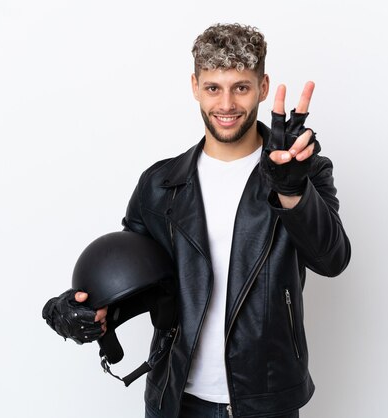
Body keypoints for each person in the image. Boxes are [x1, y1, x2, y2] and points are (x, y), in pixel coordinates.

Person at [44, 23, 350, 417]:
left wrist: (293, 192)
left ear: (262, 86)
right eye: (213, 88)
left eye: (240, 87)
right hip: (176, 399)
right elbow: (137, 277)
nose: (226, 104)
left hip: (267, 400)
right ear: (194, 86)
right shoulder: (160, 184)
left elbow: (332, 260)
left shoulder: (304, 171)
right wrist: (87, 311)